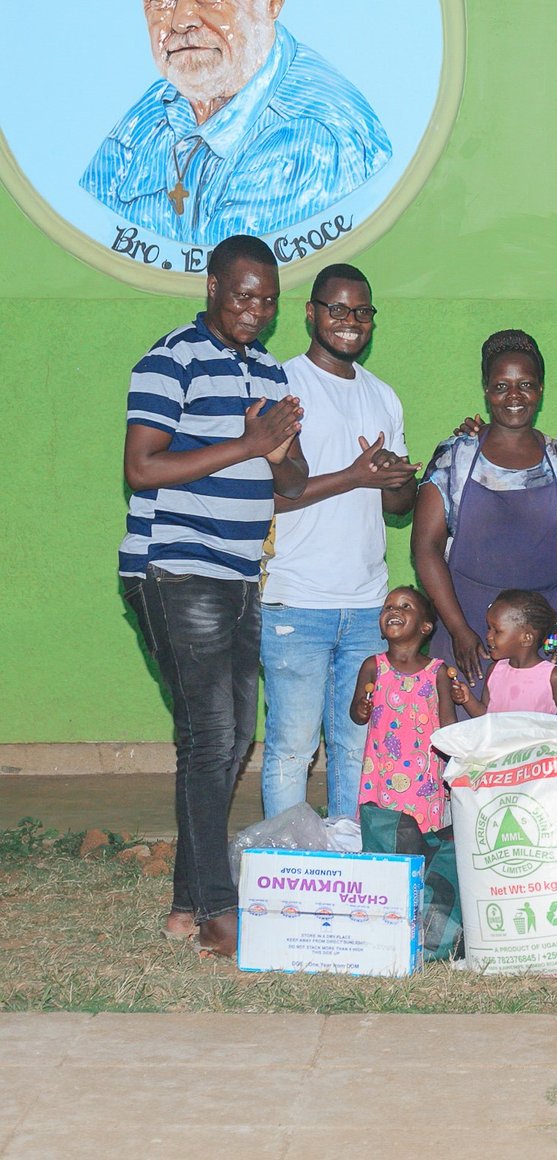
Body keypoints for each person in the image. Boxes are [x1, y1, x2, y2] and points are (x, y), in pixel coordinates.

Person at [120, 233, 308, 957]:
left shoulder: (268, 370)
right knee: (210, 737)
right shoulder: (169, 360)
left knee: (230, 736)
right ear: (212, 287)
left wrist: (281, 454)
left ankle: (184, 905)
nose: (255, 311)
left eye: (267, 300)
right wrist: (249, 444)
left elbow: (290, 480)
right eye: (243, 296)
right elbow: (141, 467)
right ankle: (217, 912)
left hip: (238, 573)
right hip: (174, 567)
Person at [260, 263, 418, 821]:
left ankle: (349, 859)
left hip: (366, 603)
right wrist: (354, 475)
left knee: (357, 745)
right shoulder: (281, 386)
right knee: (292, 748)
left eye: (362, 311)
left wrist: (398, 478)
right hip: (294, 600)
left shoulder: (383, 396)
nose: (351, 321)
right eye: (338, 309)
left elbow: (396, 507)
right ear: (311, 313)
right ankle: (287, 860)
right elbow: (267, 497)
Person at [81, 0, 391, 245]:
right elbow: (98, 219)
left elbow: (230, 285)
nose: (180, 19)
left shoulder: (311, 139)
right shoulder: (160, 104)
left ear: (272, 3)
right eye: (161, 0)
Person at [413, 330, 557, 702]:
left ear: (540, 389)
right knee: (464, 732)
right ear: (486, 390)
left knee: (531, 735)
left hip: (536, 639)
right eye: (501, 386)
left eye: (525, 384)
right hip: (466, 631)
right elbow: (426, 548)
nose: (514, 395)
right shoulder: (455, 457)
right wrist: (458, 628)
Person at [350, 586, 454, 833]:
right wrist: (361, 710)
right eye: (388, 606)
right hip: (382, 771)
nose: (394, 610)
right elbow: (356, 715)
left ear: (425, 627)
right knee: (383, 830)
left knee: (423, 835)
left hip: (424, 776)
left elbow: (448, 724)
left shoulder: (437, 671)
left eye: (405, 606)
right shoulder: (373, 666)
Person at [449, 590, 557, 721]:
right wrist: (467, 699)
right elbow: (487, 718)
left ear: (526, 638)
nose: (488, 636)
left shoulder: (552, 676)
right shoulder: (495, 671)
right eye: (489, 628)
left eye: (497, 631)